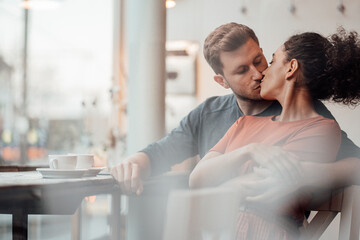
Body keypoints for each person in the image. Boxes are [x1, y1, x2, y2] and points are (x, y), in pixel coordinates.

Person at [111, 23, 360, 199]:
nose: (258, 73)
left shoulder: (304, 113)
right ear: (222, 81)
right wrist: (134, 162)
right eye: (242, 70)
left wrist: (308, 174)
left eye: (259, 60)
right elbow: (161, 153)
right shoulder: (208, 114)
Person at [189, 29, 360, 239]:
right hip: (219, 229)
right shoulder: (244, 123)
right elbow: (197, 178)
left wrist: (213, 189)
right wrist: (249, 151)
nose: (262, 73)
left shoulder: (321, 128)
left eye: (271, 61)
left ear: (291, 68)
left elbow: (265, 189)